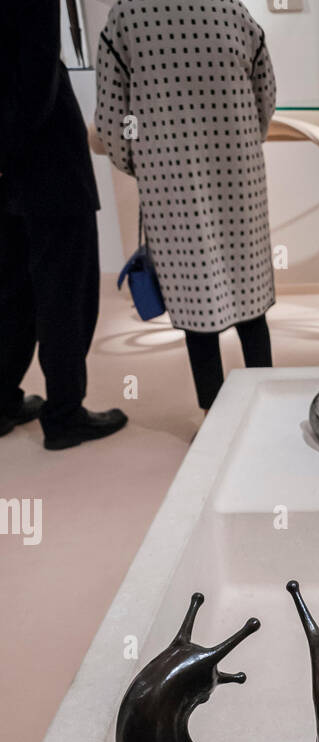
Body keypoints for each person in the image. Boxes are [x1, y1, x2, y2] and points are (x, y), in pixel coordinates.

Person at [95, 1, 277, 412]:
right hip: (239, 176)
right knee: (252, 302)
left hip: (169, 183)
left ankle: (213, 418)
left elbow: (114, 118)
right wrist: (244, 139)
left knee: (197, 306)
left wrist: (140, 159)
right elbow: (265, 96)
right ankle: (268, 406)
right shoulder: (233, 11)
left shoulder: (125, 17)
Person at [0, 1, 128, 449]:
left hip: (12, 170)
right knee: (65, 292)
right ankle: (65, 413)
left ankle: (2, 400)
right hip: (46, 164)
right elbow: (37, 69)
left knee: (13, 289)